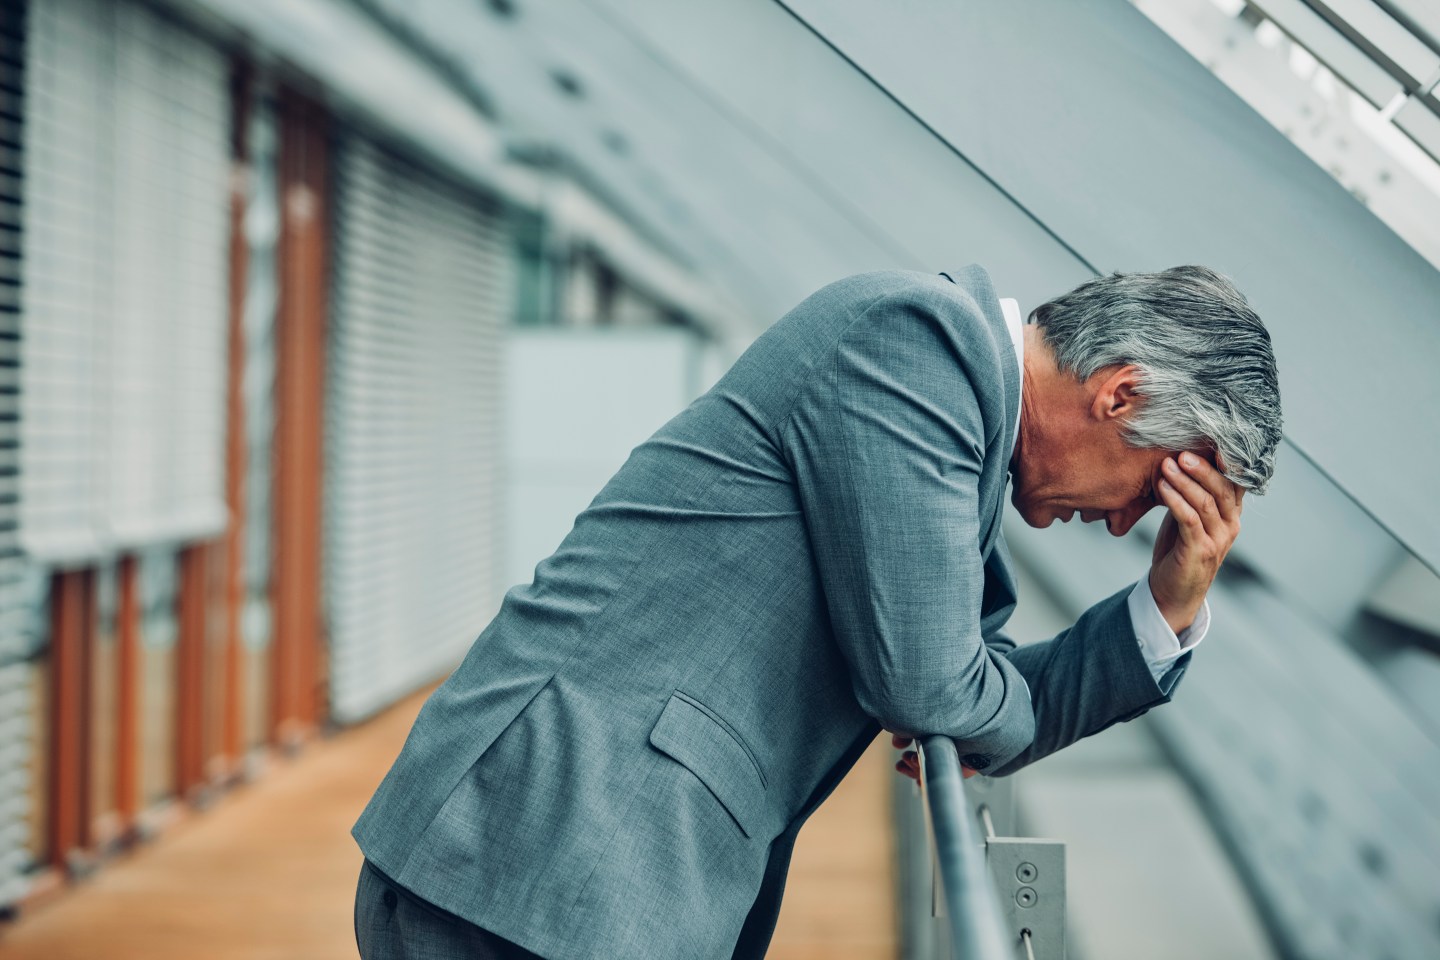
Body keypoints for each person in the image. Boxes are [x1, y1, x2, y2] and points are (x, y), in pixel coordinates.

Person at [352, 264, 1282, 960]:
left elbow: (967, 691)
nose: (1124, 523)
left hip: (579, 868)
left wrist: (1167, 606)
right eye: (1146, 489)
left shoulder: (955, 427)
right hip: (548, 848)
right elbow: (932, 688)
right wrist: (957, 696)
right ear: (1121, 393)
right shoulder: (921, 345)